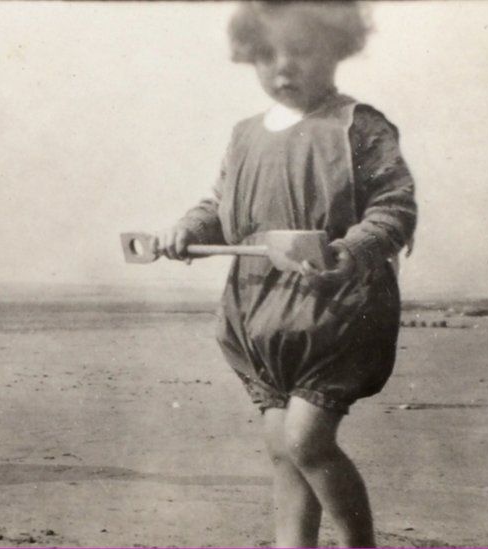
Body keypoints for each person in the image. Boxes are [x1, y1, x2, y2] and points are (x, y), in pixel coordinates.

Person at [156, 2, 417, 547]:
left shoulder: (357, 125)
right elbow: (222, 208)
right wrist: (187, 229)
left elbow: (394, 206)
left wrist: (356, 247)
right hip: (259, 313)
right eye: (266, 56)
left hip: (336, 311)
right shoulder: (245, 134)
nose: (283, 69)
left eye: (300, 52)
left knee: (307, 441)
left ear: (338, 48)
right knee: (282, 448)